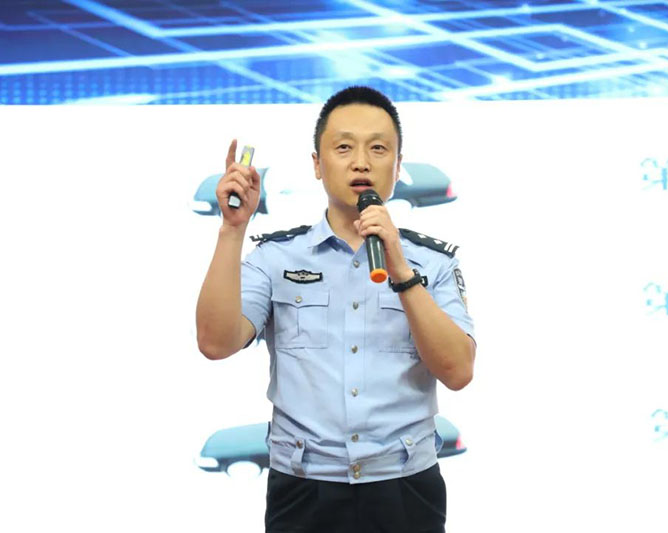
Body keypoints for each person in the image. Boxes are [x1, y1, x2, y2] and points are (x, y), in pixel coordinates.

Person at [196, 86, 476, 533]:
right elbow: (215, 342)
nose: (361, 162)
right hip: (303, 489)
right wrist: (232, 230)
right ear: (317, 164)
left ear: (398, 166)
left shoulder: (433, 264)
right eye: (344, 147)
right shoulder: (276, 257)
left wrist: (401, 270)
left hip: (405, 487)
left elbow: (458, 371)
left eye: (378, 149)